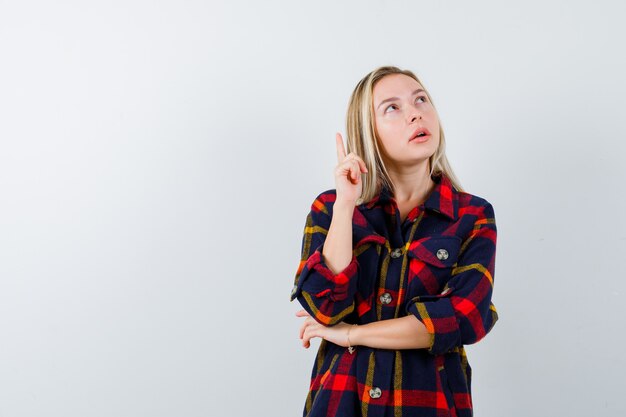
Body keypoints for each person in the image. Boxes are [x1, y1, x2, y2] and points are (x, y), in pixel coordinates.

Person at [289, 65, 499, 417]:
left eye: (421, 100)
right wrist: (345, 205)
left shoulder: (472, 216)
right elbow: (325, 306)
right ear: (369, 132)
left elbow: (460, 318)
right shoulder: (330, 207)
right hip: (341, 401)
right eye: (393, 107)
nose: (416, 112)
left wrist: (351, 334)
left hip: (430, 404)